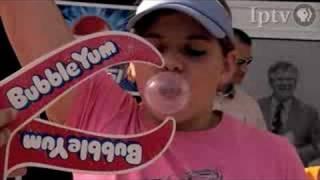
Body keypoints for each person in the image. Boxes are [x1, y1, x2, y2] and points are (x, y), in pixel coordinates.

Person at [0, 0, 306, 179]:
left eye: (194, 50)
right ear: (130, 63)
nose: (171, 63)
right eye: (153, 47)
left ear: (227, 67)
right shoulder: (96, 114)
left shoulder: (276, 157)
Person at [259, 61, 320, 166]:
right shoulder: (256, 107)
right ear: (271, 82)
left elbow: (317, 145)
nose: (285, 83)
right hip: (260, 169)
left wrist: (295, 153)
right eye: (280, 79)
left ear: (295, 83)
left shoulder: (309, 112)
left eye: (289, 79)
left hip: (294, 170)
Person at [213, 28, 266, 130]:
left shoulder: (249, 105)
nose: (244, 70)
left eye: (248, 62)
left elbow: (262, 145)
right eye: (240, 62)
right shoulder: (189, 99)